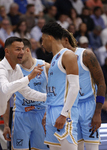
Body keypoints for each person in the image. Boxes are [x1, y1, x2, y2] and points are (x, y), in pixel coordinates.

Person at [0, 37, 47, 150]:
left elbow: (26, 92)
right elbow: (6, 89)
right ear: (7, 51)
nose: (21, 52)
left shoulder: (16, 70)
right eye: (17, 49)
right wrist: (29, 77)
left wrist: (49, 97)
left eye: (22, 49)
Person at [61, 29, 106, 150]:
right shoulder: (58, 59)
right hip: (71, 108)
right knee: (76, 147)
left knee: (92, 147)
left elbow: (101, 82)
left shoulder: (86, 55)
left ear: (66, 40)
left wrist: (97, 112)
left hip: (89, 107)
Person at [3, 38, 50, 149]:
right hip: (21, 115)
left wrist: (49, 112)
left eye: (20, 52)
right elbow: (6, 98)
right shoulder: (13, 70)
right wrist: (5, 125)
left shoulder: (45, 67)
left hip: (41, 114)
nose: (17, 56)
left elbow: (55, 92)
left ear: (27, 50)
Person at [41, 22, 80, 150]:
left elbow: (74, 87)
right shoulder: (53, 59)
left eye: (42, 39)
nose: (42, 44)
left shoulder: (67, 55)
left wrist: (63, 114)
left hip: (64, 112)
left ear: (49, 37)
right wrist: (47, 113)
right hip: (52, 111)